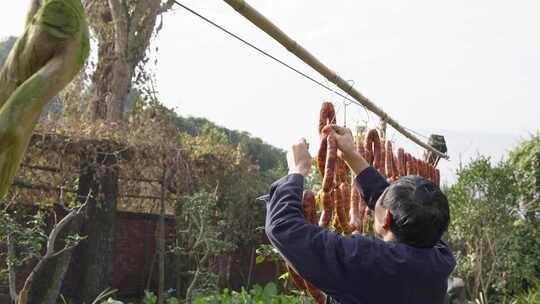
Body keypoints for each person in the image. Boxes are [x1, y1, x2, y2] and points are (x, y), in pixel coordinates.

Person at [263, 125, 455, 304]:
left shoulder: (368, 262)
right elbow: (391, 200)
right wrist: (350, 154)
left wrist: (296, 171)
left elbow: (283, 228)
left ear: (386, 219)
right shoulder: (439, 257)